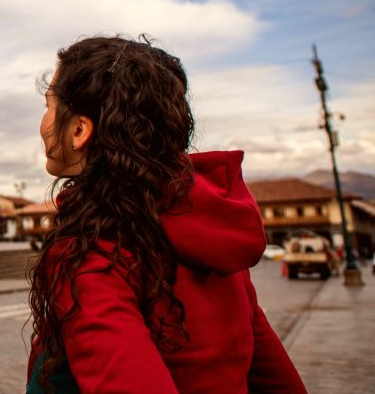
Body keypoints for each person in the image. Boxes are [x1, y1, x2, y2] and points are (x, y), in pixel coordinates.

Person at [26, 36, 306, 393]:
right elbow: (277, 380)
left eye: (49, 106)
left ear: (79, 130)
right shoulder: (214, 238)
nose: (44, 122)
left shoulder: (95, 255)